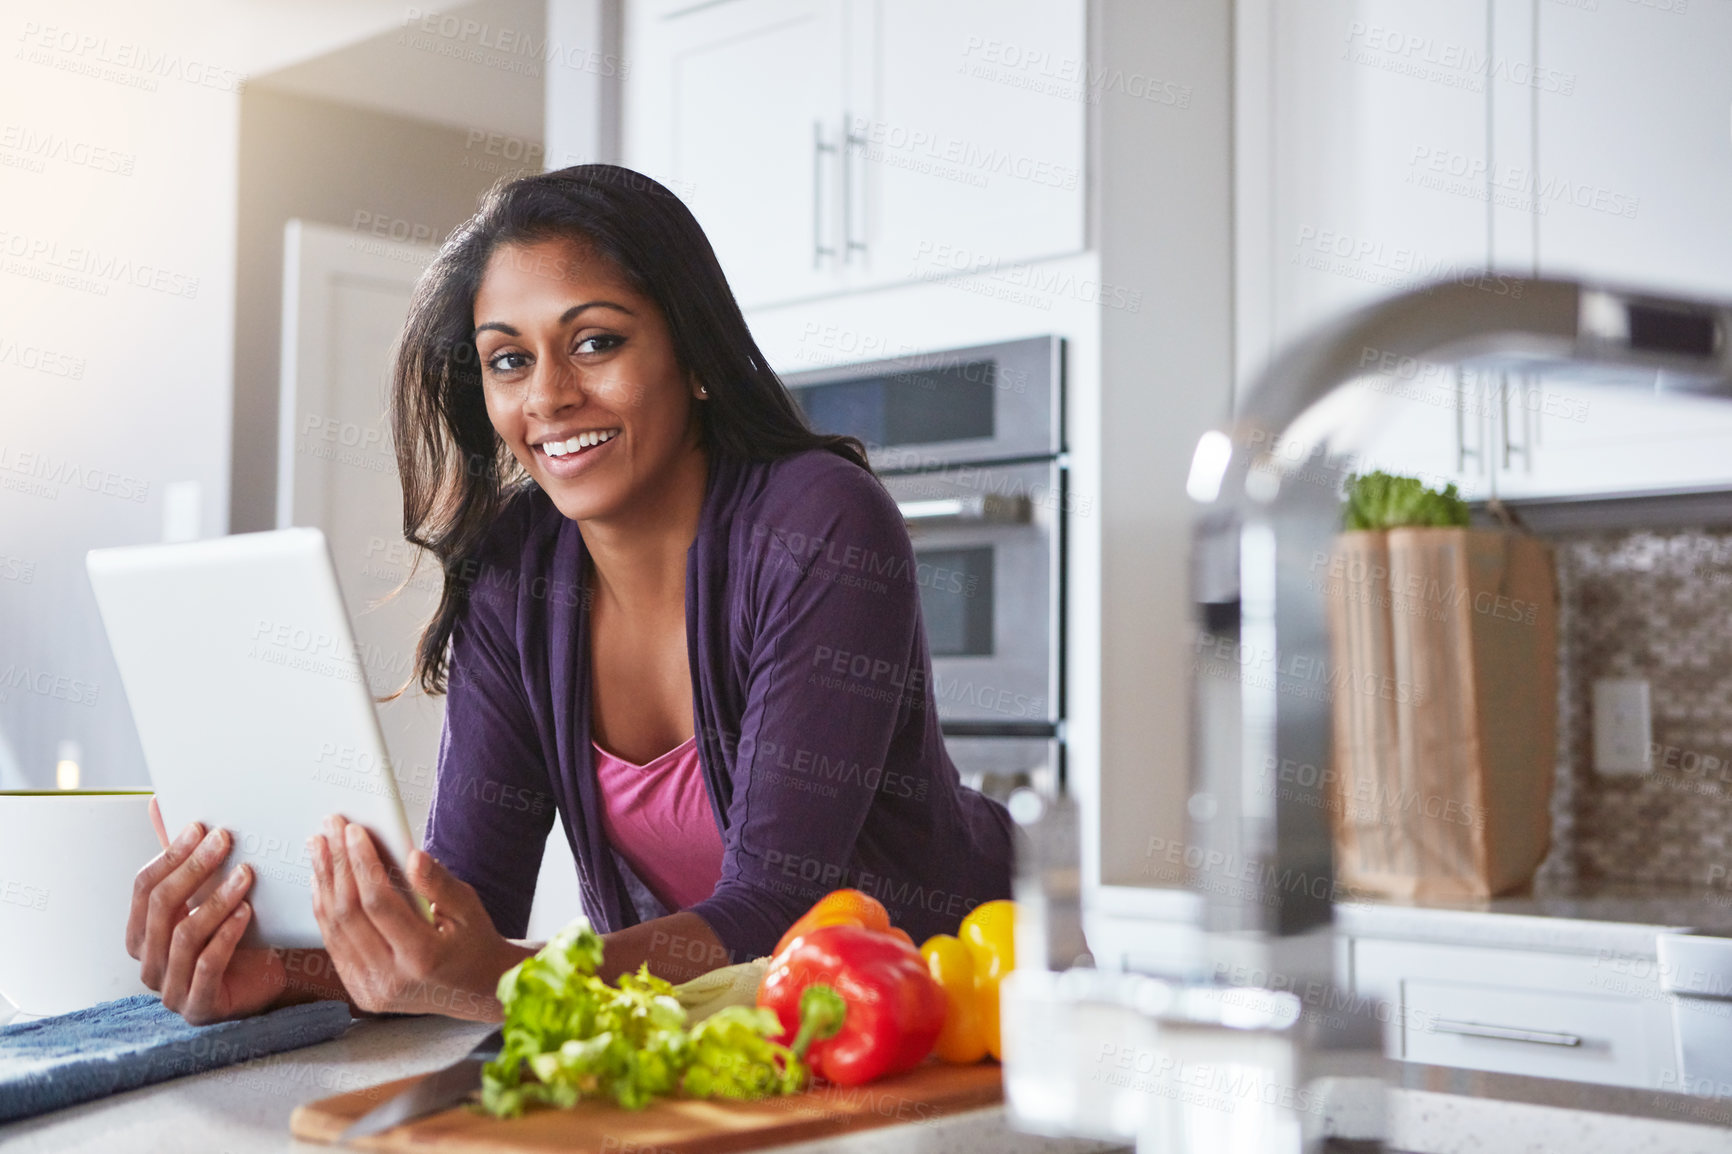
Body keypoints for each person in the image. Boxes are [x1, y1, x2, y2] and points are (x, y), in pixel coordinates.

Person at [126, 164, 1016, 1025]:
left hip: (958, 1008)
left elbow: (781, 910)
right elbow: (469, 907)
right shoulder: (516, 574)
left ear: (693, 353)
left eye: (596, 342)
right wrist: (284, 973)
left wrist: (504, 980)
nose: (548, 395)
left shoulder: (819, 522)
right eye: (508, 360)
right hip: (735, 1037)